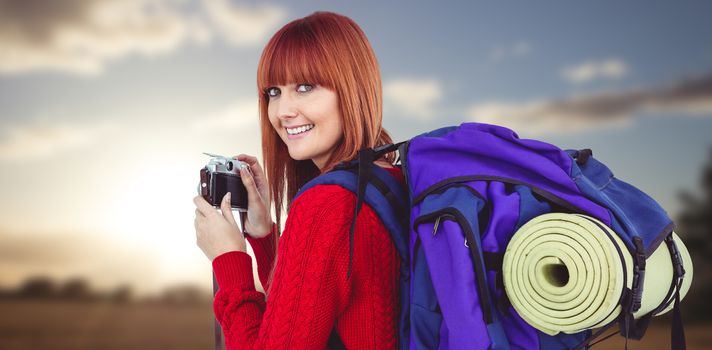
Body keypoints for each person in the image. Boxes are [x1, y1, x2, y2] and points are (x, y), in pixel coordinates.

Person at [193, 11, 403, 349]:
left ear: (352, 89)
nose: (282, 111)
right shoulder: (391, 177)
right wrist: (263, 238)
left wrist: (229, 260)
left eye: (305, 88)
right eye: (274, 92)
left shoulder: (325, 206)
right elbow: (316, 305)